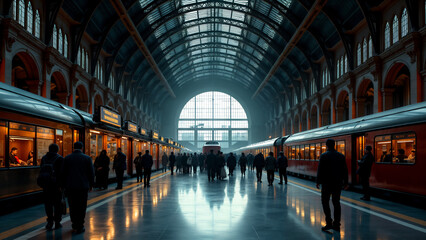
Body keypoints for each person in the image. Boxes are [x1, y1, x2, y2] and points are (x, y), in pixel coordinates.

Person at [62, 142, 94, 234]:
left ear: (73, 148)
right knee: (81, 206)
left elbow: (63, 173)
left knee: (72, 206)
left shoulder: (67, 158)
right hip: (83, 187)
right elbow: (91, 173)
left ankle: (74, 224)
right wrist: (91, 185)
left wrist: (63, 186)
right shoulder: (87, 158)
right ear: (82, 148)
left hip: (70, 187)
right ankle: (80, 225)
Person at [316, 139, 348, 232]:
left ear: (326, 145)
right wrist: (345, 183)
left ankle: (329, 223)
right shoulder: (341, 156)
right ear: (334, 145)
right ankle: (337, 225)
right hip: (337, 183)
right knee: (336, 203)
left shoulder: (323, 156)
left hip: (326, 183)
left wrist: (318, 181)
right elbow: (345, 171)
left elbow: (320, 170)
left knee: (325, 202)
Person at [39, 144, 64, 230]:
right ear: (57, 150)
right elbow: (62, 174)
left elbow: (41, 170)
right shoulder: (60, 159)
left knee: (48, 204)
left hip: (46, 185)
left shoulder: (44, 158)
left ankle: (49, 222)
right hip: (56, 186)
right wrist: (62, 186)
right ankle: (57, 222)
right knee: (57, 204)